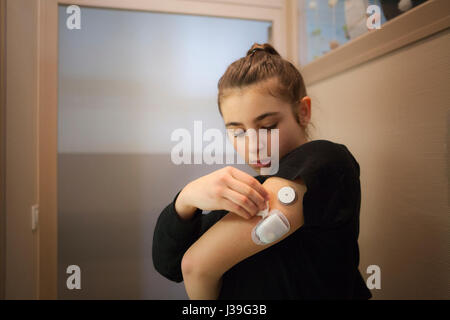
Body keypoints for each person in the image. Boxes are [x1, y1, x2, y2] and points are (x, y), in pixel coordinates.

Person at [152, 43, 372, 300]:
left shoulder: (326, 162)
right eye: (238, 131)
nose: (253, 145)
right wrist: (186, 198)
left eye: (267, 126)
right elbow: (170, 265)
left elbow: (196, 266)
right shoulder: (249, 192)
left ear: (303, 112)